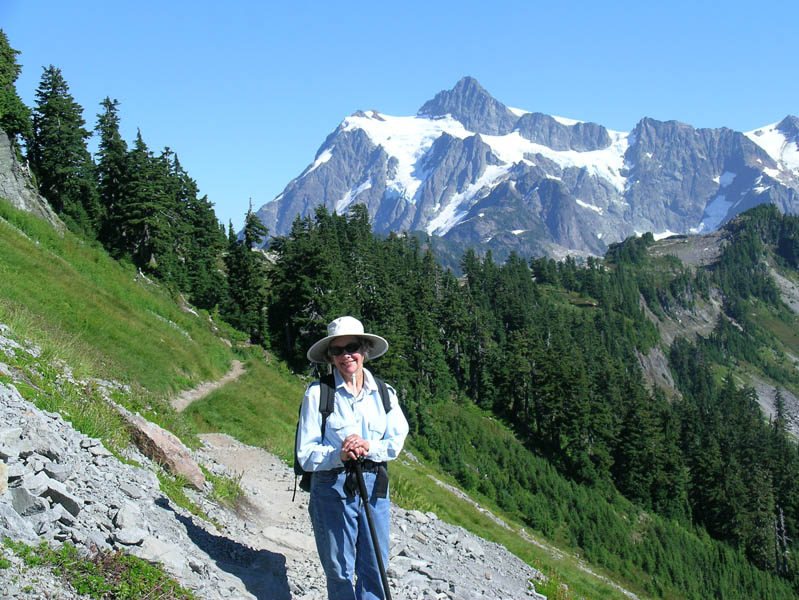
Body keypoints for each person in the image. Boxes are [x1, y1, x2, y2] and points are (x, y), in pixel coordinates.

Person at [297, 316, 409, 600]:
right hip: (331, 487)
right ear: (330, 357)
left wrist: (367, 447)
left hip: (375, 487)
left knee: (375, 565)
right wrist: (340, 454)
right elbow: (306, 454)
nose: (347, 355)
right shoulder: (317, 394)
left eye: (353, 347)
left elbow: (395, 441)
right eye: (338, 350)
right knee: (339, 568)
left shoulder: (384, 394)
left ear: (365, 350)